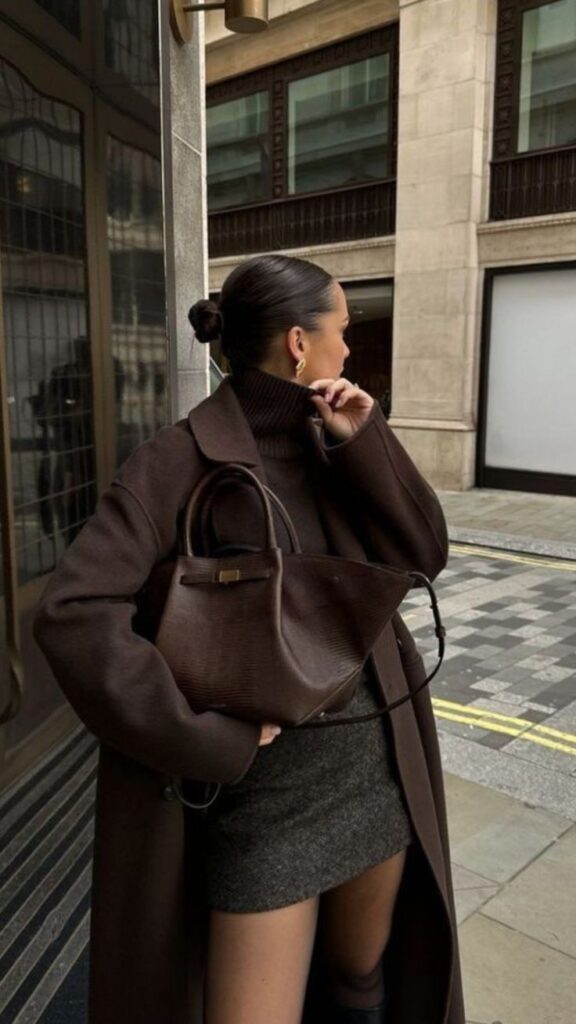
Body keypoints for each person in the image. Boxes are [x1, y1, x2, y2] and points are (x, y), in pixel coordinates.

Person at [32, 253, 465, 1024]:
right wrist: (204, 736)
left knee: (361, 984)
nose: (348, 351)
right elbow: (73, 611)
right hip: (260, 799)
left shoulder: (337, 431)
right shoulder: (176, 458)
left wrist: (366, 441)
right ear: (299, 343)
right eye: (342, 332)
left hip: (376, 766)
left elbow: (423, 553)